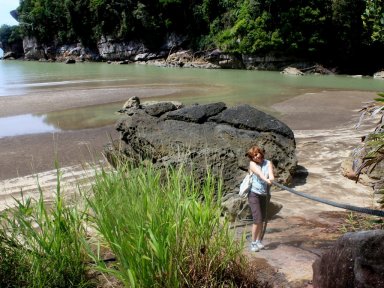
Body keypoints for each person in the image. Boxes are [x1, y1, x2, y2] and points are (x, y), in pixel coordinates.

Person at [246, 145, 274, 252]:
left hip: (265, 194)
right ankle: (253, 243)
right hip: (254, 194)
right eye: (253, 156)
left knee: (262, 219)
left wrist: (271, 179)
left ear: (261, 153)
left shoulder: (268, 163)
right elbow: (260, 174)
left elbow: (270, 174)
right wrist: (266, 180)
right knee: (257, 219)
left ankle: (258, 241)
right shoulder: (252, 164)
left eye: (257, 154)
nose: (256, 157)